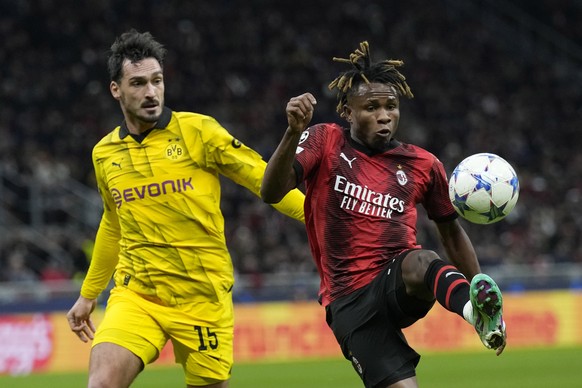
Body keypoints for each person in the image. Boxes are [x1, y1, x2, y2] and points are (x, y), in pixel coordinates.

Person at [66, 29, 305, 388]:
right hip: (137, 295)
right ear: (116, 89)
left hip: (202, 298)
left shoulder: (199, 132)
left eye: (157, 81)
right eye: (138, 83)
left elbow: (264, 180)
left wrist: (322, 215)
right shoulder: (104, 153)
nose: (150, 92)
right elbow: (113, 224)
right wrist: (88, 296)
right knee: (101, 384)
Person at [261, 41, 507, 388]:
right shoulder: (324, 141)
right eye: (371, 107)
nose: (383, 115)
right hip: (349, 301)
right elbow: (271, 191)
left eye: (391, 106)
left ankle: (474, 312)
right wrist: (291, 133)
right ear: (347, 111)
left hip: (399, 280)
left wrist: (480, 288)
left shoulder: (424, 165)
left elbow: (451, 232)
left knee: (422, 260)